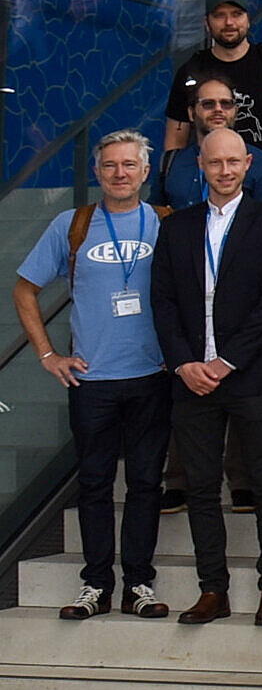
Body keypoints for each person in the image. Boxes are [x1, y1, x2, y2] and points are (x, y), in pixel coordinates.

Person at [16, 132, 172, 620]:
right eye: (110, 166)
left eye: (130, 165)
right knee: (95, 484)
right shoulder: (73, 225)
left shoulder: (167, 224)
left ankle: (139, 584)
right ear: (97, 172)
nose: (120, 173)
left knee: (146, 483)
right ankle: (96, 585)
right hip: (92, 379)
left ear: (146, 172)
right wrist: (47, 355)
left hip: (153, 375)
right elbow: (24, 290)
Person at [151, 129, 262, 626]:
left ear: (248, 164)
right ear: (200, 164)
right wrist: (183, 362)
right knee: (199, 486)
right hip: (191, 378)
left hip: (251, 376)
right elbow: (163, 302)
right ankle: (212, 588)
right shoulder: (176, 228)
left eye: (234, 162)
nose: (226, 170)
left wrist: (227, 360)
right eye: (216, 163)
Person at [164, 0, 262, 157]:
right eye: (219, 15)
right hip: (212, 178)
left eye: (237, 14)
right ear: (207, 23)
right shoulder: (191, 72)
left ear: (248, 20)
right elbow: (175, 142)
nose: (229, 22)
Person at [157, 75, 262, 208]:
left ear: (236, 111)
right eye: (208, 104)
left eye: (226, 103)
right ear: (191, 113)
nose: (218, 109)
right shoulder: (170, 163)